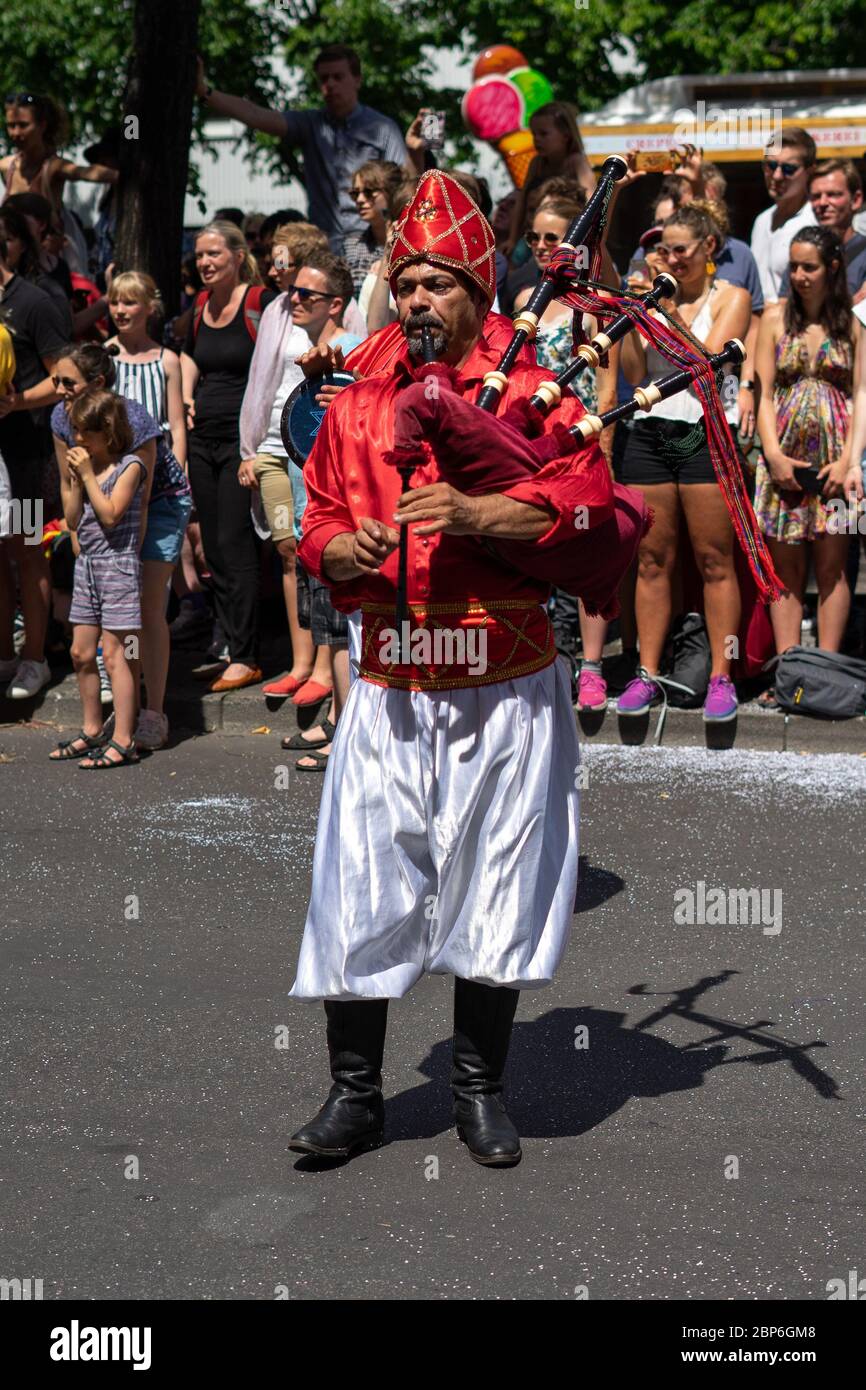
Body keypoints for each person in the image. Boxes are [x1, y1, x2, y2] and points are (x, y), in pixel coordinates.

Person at [286, 169, 614, 1167]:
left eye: (438, 281)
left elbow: (583, 510)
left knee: (497, 883)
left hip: (505, 684)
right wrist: (347, 552)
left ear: (477, 288)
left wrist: (476, 514)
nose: (419, 296)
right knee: (360, 883)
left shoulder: (533, 396)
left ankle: (476, 1090)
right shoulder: (354, 404)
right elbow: (317, 526)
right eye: (407, 280)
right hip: (388, 686)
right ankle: (356, 1096)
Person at [617, 202, 752, 723]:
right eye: (661, 250)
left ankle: (722, 675)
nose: (668, 258)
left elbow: (707, 365)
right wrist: (634, 319)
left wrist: (665, 311)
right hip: (649, 432)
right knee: (651, 561)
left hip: (704, 432)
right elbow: (633, 371)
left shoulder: (732, 298)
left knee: (714, 560)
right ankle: (647, 672)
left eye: (679, 250)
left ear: (708, 250)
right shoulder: (652, 303)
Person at [50, 342, 191, 748]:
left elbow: (138, 501)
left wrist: (121, 556)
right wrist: (79, 539)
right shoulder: (62, 417)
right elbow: (67, 480)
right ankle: (109, 719)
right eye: (56, 380)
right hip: (103, 505)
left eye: (67, 382)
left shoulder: (133, 417)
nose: (58, 389)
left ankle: (152, 712)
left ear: (96, 383)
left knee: (144, 611)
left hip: (155, 505)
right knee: (101, 634)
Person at [753, 226, 861, 696]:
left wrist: (849, 462)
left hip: (835, 463)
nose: (798, 275)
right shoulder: (776, 318)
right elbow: (761, 393)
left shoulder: (853, 326)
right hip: (785, 461)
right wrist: (772, 454)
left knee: (834, 565)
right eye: (793, 266)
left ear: (832, 268)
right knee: (787, 568)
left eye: (809, 266)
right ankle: (789, 672)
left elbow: (861, 394)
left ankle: (827, 673)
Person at [265, 251, 362, 762]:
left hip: (336, 515)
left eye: (307, 294)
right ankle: (335, 722)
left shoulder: (348, 354)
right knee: (329, 630)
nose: (295, 300)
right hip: (312, 510)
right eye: (293, 292)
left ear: (336, 303)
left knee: (341, 632)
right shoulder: (317, 350)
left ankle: (344, 738)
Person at [180, 220, 276, 691]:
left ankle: (247, 655)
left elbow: (276, 362)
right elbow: (188, 355)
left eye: (214, 254)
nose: (205, 263)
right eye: (200, 255)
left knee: (237, 544)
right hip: (203, 441)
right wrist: (185, 395)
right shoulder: (199, 306)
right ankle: (226, 643)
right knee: (211, 547)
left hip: (243, 446)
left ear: (238, 256)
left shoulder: (260, 304)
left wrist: (257, 445)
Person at [196, 45, 409, 255]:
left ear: (357, 80)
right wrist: (204, 92)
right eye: (323, 79)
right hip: (326, 247)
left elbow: (403, 183)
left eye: (338, 77)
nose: (330, 85)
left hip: (374, 245)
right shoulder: (311, 124)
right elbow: (256, 115)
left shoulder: (382, 129)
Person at [49, 390, 145, 768]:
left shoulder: (130, 467)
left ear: (107, 433)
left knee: (118, 655)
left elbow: (110, 515)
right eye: (74, 431)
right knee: (80, 652)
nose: (77, 440)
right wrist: (76, 482)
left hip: (118, 566)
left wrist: (88, 475)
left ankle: (124, 737)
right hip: (87, 565)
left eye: (85, 433)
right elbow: (73, 520)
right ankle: (92, 728)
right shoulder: (83, 469)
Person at [237, 233, 313, 708]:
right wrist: (247, 447)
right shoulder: (276, 311)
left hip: (310, 446)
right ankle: (300, 662)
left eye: (284, 261)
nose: (275, 270)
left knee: (314, 548)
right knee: (286, 549)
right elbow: (259, 377)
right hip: (267, 445)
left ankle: (326, 663)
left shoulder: (331, 312)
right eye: (272, 261)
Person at [0, 234, 69, 698]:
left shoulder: (32, 302)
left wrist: (16, 402)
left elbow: (63, 378)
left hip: (22, 455)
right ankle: (5, 655)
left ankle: (35, 659)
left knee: (27, 550)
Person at [2, 94, 117, 274]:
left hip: (48, 268)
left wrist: (125, 174)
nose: (16, 133)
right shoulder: (6, 167)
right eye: (11, 126)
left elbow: (85, 172)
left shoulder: (53, 167)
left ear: (42, 125)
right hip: (11, 268)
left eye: (23, 125)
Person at [503, 102, 595, 259]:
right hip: (534, 235)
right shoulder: (537, 163)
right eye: (534, 134)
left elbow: (592, 201)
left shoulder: (576, 162)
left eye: (543, 134)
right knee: (515, 259)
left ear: (566, 136)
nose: (536, 139)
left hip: (565, 237)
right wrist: (512, 238)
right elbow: (522, 201)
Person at [778, 160, 866, 304]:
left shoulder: (863, 254)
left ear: (856, 200)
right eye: (816, 196)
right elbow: (784, 311)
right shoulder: (802, 254)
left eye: (833, 194)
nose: (823, 203)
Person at [750, 127, 817, 306]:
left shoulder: (815, 221)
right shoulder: (761, 220)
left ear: (810, 172)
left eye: (788, 168)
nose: (777, 176)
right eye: (770, 166)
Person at [343, 160, 403, 296]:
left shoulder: (410, 242)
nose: (360, 199)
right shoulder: (351, 245)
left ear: (392, 192)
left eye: (368, 192)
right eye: (355, 193)